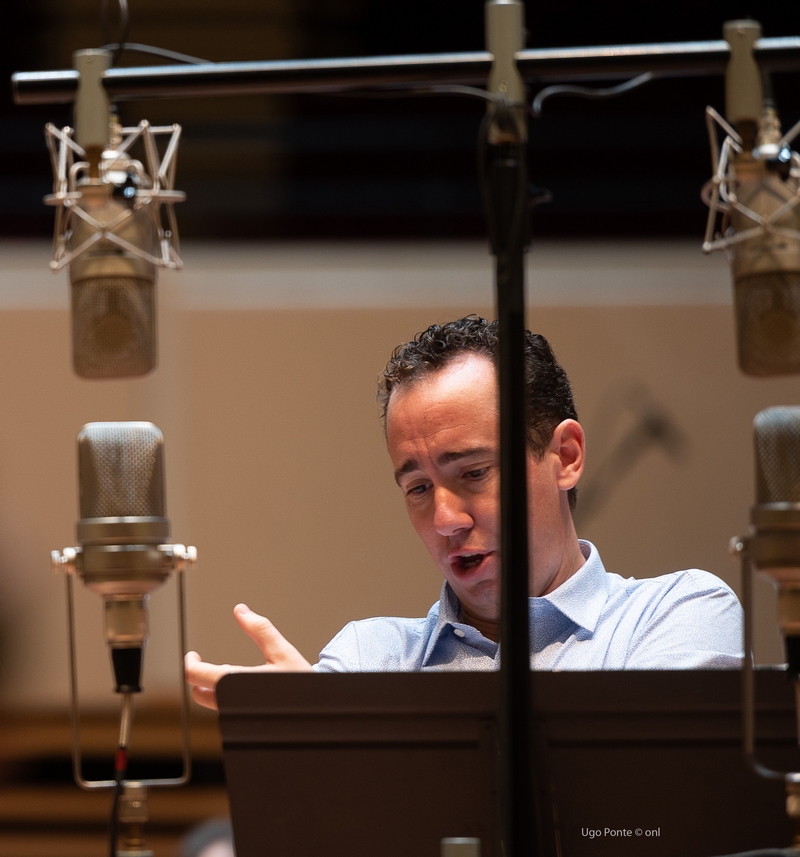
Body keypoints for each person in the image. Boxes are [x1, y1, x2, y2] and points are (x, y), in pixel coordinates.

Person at [186, 316, 742, 709]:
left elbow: (644, 824)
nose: (445, 519)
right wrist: (314, 735)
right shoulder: (371, 659)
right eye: (419, 488)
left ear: (565, 457)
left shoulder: (678, 614)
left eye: (473, 473)